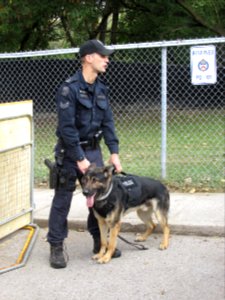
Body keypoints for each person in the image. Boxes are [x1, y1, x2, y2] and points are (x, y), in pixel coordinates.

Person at [47, 39, 122, 269]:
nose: (107, 59)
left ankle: (98, 240)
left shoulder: (101, 89)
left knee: (97, 198)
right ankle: (56, 246)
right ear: (88, 58)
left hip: (93, 150)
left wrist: (114, 152)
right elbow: (67, 128)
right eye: (103, 55)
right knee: (63, 200)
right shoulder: (68, 89)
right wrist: (79, 158)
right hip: (70, 153)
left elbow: (108, 122)